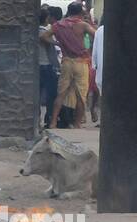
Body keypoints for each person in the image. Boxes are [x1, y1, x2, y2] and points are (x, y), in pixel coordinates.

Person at [43, 2, 96, 130]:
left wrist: (57, 43)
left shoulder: (58, 25)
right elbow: (96, 34)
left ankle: (53, 122)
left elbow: (44, 36)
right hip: (81, 62)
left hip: (66, 61)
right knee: (81, 96)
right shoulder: (82, 25)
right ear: (79, 12)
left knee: (61, 94)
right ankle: (77, 123)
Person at [38, 8, 61, 131]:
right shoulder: (43, 32)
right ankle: (49, 118)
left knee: (38, 94)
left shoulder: (34, 31)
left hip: (39, 66)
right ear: (46, 18)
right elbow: (43, 38)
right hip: (46, 66)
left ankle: (37, 120)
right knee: (51, 95)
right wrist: (57, 43)